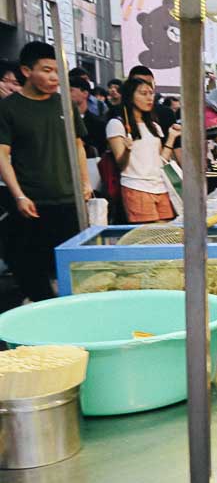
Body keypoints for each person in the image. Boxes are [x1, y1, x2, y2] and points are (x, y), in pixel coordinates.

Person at [0, 41, 91, 302]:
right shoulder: (9, 108)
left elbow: (78, 146)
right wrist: (19, 196)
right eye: (47, 70)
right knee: (31, 268)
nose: (54, 78)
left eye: (58, 71)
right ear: (27, 71)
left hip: (69, 201)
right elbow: (2, 155)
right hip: (33, 203)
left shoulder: (65, 105)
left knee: (73, 270)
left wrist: (84, 183)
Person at [106, 77, 179, 223]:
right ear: (130, 96)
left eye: (151, 93)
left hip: (161, 187)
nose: (149, 98)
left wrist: (171, 137)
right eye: (143, 93)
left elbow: (160, 161)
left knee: (167, 236)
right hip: (136, 187)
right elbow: (121, 164)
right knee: (148, 238)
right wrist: (127, 150)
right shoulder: (116, 124)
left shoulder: (154, 126)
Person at [69, 76, 107, 157]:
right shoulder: (62, 121)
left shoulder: (98, 124)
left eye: (71, 90)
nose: (66, 94)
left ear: (85, 93)